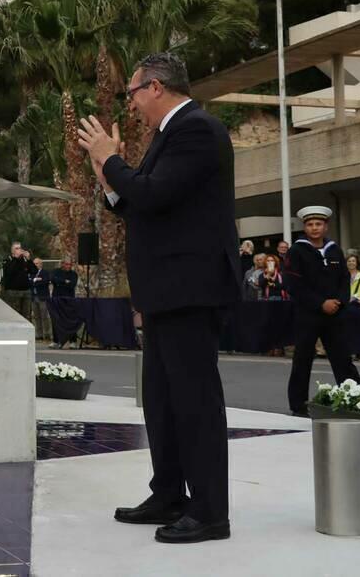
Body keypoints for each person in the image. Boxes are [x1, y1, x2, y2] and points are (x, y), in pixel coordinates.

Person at [78, 52, 237, 543]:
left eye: (131, 91)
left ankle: (210, 511)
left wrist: (110, 157)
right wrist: (109, 177)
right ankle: (169, 493)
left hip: (190, 288)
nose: (129, 102)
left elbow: (152, 195)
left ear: (154, 87)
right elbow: (138, 201)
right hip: (167, 290)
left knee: (194, 401)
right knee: (163, 402)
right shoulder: (170, 135)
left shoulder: (196, 129)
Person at [282, 206, 360, 417]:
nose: (314, 228)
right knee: (303, 358)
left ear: (326, 226)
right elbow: (294, 284)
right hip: (308, 314)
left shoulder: (335, 250)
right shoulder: (296, 251)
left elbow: (344, 279)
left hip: (334, 314)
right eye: (310, 224)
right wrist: (320, 303)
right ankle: (298, 405)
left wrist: (339, 301)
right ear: (305, 227)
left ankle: (358, 401)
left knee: (342, 358)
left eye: (318, 224)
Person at [0, 243, 32, 318]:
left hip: (26, 291)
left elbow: (34, 270)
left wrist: (29, 259)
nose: (19, 250)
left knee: (26, 315)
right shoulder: (8, 260)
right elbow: (9, 272)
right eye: (16, 248)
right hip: (13, 292)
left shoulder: (24, 260)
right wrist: (16, 258)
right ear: (12, 251)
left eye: (20, 248)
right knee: (14, 315)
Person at [29, 257, 51, 338]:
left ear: (41, 264)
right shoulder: (32, 273)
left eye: (37, 263)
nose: (35, 265)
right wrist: (36, 280)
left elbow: (45, 281)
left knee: (44, 316)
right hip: (34, 297)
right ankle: (39, 334)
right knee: (36, 316)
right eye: (34, 263)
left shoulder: (45, 272)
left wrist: (36, 281)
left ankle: (47, 333)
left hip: (42, 297)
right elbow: (30, 282)